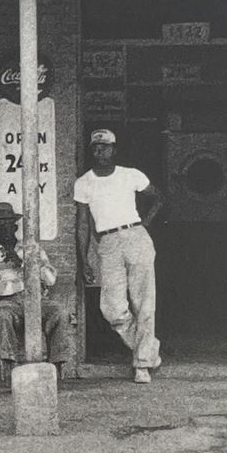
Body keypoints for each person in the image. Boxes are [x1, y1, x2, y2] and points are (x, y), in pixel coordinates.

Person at [74, 129, 164, 384]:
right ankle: (148, 350)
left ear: (115, 149)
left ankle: (142, 365)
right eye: (96, 147)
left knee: (143, 302)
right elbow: (82, 224)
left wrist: (144, 223)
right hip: (107, 241)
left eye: (105, 146)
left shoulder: (130, 175)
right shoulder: (84, 182)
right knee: (112, 308)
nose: (100, 151)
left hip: (135, 236)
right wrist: (84, 259)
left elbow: (158, 197)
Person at [0, 202, 71, 377]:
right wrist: (28, 282)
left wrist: (24, 263)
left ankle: (56, 369)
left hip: (38, 299)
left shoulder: (32, 249)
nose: (4, 227)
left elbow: (50, 279)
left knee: (59, 311)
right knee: (2, 314)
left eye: (7, 223)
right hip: (9, 302)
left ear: (15, 226)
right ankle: (10, 370)